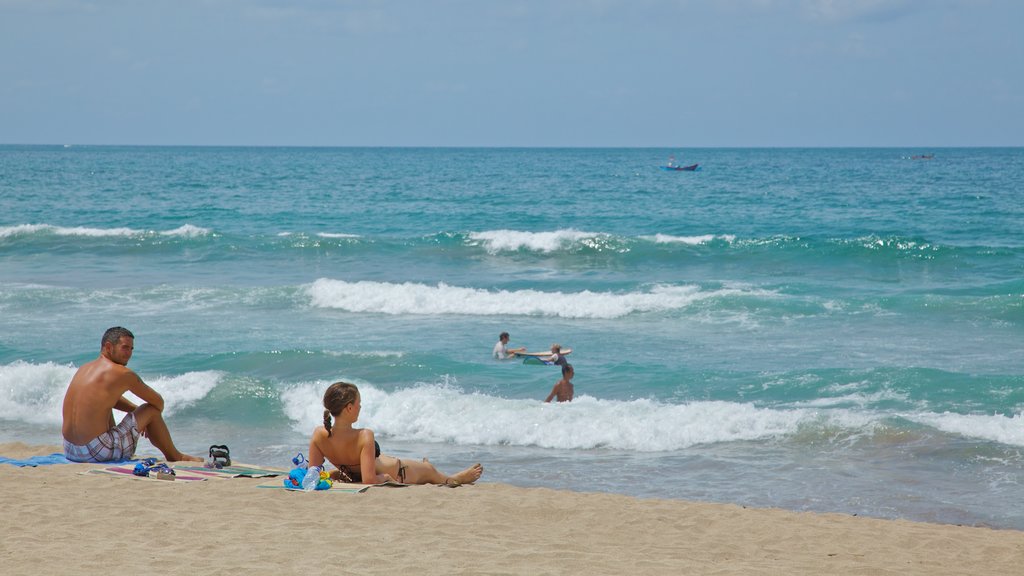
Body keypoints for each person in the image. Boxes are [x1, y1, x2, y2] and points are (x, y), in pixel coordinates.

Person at [61, 327, 203, 463]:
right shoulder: (122, 373)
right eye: (125, 347)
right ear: (109, 347)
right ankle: (175, 456)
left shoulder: (84, 368)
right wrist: (144, 418)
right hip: (97, 453)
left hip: (71, 450)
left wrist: (136, 412)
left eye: (131, 349)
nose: (129, 353)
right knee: (150, 410)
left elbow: (107, 399)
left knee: (107, 407)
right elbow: (158, 402)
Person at [308, 381, 484, 486]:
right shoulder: (364, 435)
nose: (360, 407)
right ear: (349, 408)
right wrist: (383, 478)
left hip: (376, 468)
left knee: (426, 469)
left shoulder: (318, 435)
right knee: (433, 474)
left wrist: (334, 474)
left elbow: (312, 475)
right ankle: (453, 479)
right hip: (401, 472)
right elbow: (369, 480)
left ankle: (426, 467)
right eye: (358, 403)